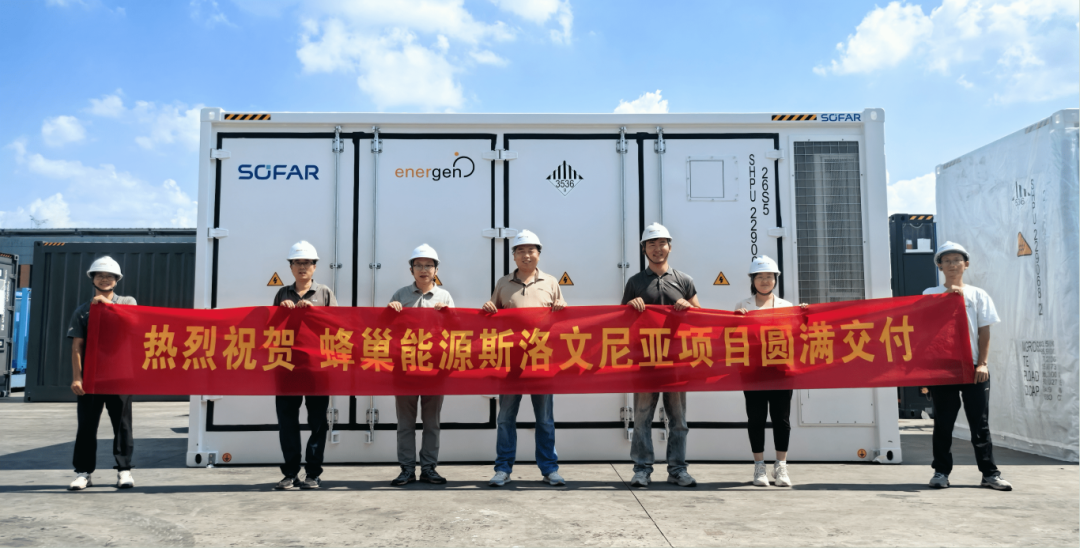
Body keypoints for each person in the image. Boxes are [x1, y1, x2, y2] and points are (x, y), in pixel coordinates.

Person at [481, 230, 567, 487]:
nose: (526, 255)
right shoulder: (503, 283)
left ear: (539, 254)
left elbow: (564, 320)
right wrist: (488, 308)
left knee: (545, 419)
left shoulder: (551, 282)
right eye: (521, 251)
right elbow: (493, 316)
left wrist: (561, 309)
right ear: (514, 256)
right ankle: (503, 469)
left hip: (542, 360)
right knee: (506, 418)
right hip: (511, 362)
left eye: (531, 250)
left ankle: (549, 469)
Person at [923, 241, 1012, 491]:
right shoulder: (929, 294)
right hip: (943, 369)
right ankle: (941, 472)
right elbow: (924, 330)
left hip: (974, 368)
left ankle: (989, 474)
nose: (952, 264)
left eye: (957, 260)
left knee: (979, 423)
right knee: (943, 423)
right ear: (939, 266)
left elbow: (984, 332)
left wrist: (982, 364)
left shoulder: (978, 295)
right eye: (947, 260)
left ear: (966, 264)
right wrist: (946, 300)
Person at [622, 223, 701, 488]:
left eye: (661, 243)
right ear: (644, 249)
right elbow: (620, 323)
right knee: (642, 418)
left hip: (676, 361)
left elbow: (701, 317)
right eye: (651, 244)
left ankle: (677, 469)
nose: (657, 249)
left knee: (678, 420)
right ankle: (642, 469)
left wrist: (688, 307)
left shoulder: (684, 280)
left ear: (670, 247)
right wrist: (630, 306)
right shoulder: (635, 282)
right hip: (645, 361)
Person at [733, 255, 807, 488]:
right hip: (753, 372)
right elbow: (733, 338)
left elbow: (799, 335)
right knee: (756, 419)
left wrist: (805, 315)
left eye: (769, 276)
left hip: (781, 371)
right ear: (752, 280)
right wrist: (736, 321)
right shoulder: (743, 305)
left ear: (775, 279)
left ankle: (781, 466)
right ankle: (759, 466)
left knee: (781, 419)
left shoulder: (787, 306)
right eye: (760, 277)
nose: (764, 281)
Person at [67, 256, 138, 491]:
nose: (104, 279)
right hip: (92, 377)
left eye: (109, 276)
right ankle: (83, 472)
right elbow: (77, 346)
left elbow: (132, 324)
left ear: (117, 280)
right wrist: (77, 377)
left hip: (120, 375)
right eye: (100, 275)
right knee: (87, 426)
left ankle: (124, 470)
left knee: (122, 425)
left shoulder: (127, 301)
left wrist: (106, 305)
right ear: (93, 279)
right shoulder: (82, 311)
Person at [272, 241, 338, 490]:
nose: (302, 267)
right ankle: (290, 473)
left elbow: (338, 326)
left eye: (307, 262)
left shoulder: (325, 293)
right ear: (290, 267)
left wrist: (314, 312)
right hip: (286, 368)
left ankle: (313, 473)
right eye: (297, 262)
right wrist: (281, 311)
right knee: (287, 423)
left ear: (315, 266)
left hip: (317, 370)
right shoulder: (282, 293)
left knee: (317, 423)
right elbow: (271, 330)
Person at [386, 244, 454, 486]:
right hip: (405, 369)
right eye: (419, 265)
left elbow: (456, 332)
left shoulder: (444, 297)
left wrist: (447, 315)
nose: (424, 270)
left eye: (428, 265)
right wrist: (390, 312)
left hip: (434, 370)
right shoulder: (400, 295)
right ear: (411, 270)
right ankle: (406, 469)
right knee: (405, 424)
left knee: (431, 423)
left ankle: (428, 468)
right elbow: (385, 331)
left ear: (436, 270)